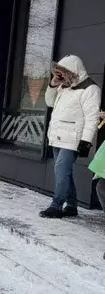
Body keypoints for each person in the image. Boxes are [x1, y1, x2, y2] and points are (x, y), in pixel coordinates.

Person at [40, 55, 101, 219]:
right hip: (57, 136)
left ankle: (56, 205)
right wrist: (53, 85)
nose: (61, 76)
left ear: (73, 71)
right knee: (64, 172)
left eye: (64, 72)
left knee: (61, 170)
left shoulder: (90, 89)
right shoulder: (63, 87)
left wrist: (86, 141)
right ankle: (72, 205)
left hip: (73, 139)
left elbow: (92, 117)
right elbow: (49, 102)